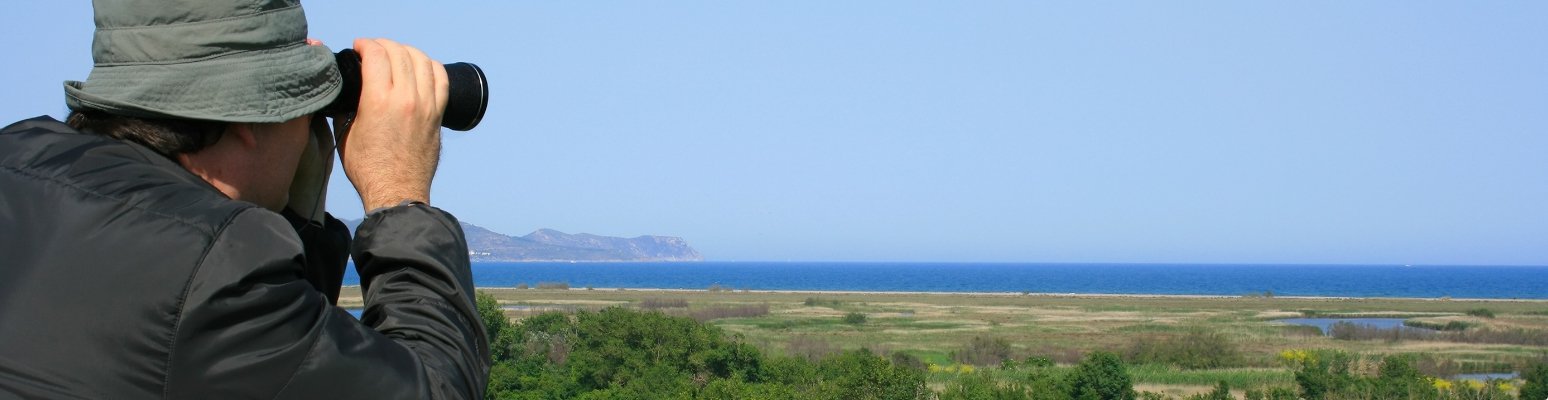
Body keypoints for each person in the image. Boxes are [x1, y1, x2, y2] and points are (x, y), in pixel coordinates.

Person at [0, 0, 489, 399]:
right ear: (249, 120)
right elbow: (435, 389)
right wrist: (399, 194)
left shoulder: (17, 157)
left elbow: (275, 374)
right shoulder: (217, 271)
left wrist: (299, 215)